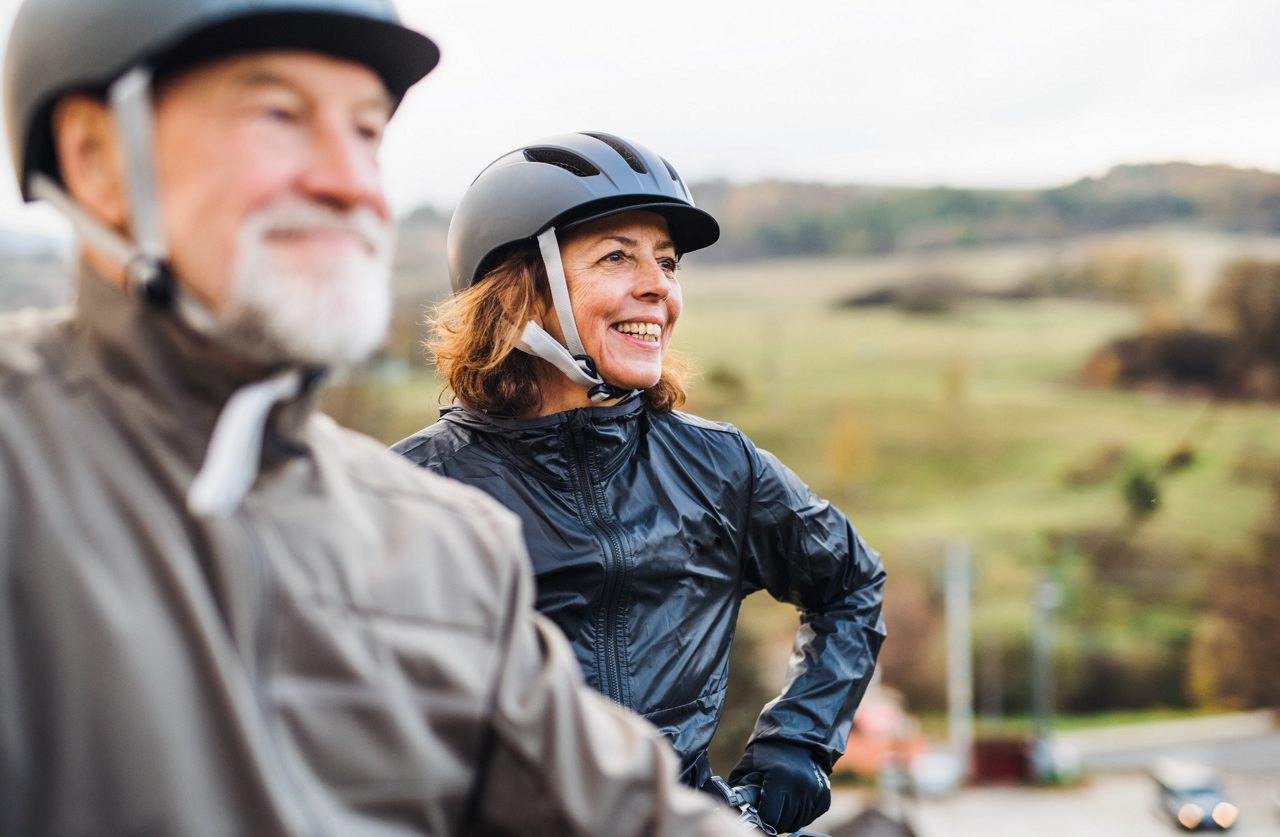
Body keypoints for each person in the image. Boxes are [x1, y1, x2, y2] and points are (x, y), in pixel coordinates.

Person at [0, 3, 744, 834]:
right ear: (96, 155)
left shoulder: (444, 545)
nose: (349, 182)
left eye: (365, 133)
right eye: (279, 116)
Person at [393, 132, 888, 834]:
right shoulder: (408, 493)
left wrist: (797, 744)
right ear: (521, 290)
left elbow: (852, 583)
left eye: (666, 261)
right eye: (617, 256)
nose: (659, 286)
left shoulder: (722, 469)